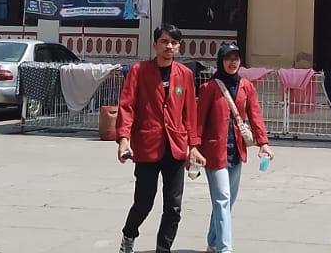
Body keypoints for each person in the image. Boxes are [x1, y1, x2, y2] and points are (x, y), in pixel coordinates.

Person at [116, 25, 202, 253]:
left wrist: (194, 146)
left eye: (173, 42)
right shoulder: (139, 71)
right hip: (147, 146)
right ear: (155, 44)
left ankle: (163, 249)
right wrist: (123, 138)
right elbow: (127, 106)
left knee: (173, 207)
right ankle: (129, 234)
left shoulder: (185, 74)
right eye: (164, 41)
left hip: (175, 147)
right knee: (144, 203)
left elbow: (190, 112)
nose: (169, 46)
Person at [193, 43, 271, 253]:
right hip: (213, 153)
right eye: (228, 58)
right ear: (221, 61)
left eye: (236, 58)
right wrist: (194, 147)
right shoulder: (209, 88)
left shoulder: (246, 86)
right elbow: (198, 121)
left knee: (228, 201)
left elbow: (255, 115)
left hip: (236, 151)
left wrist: (263, 143)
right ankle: (224, 249)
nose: (233, 62)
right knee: (222, 199)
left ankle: (212, 240)